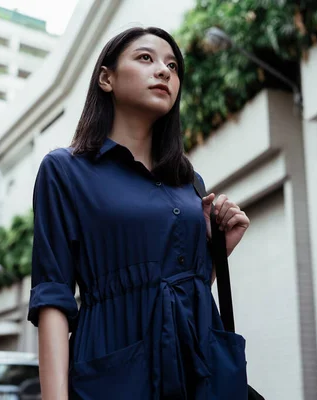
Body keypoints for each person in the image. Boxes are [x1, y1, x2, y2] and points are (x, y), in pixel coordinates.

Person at [27, 26, 251, 400]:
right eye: (146, 58)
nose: (164, 71)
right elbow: (52, 295)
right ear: (106, 78)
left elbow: (181, 292)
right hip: (114, 369)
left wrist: (217, 253)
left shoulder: (188, 180)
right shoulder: (65, 170)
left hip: (196, 368)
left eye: (173, 66)